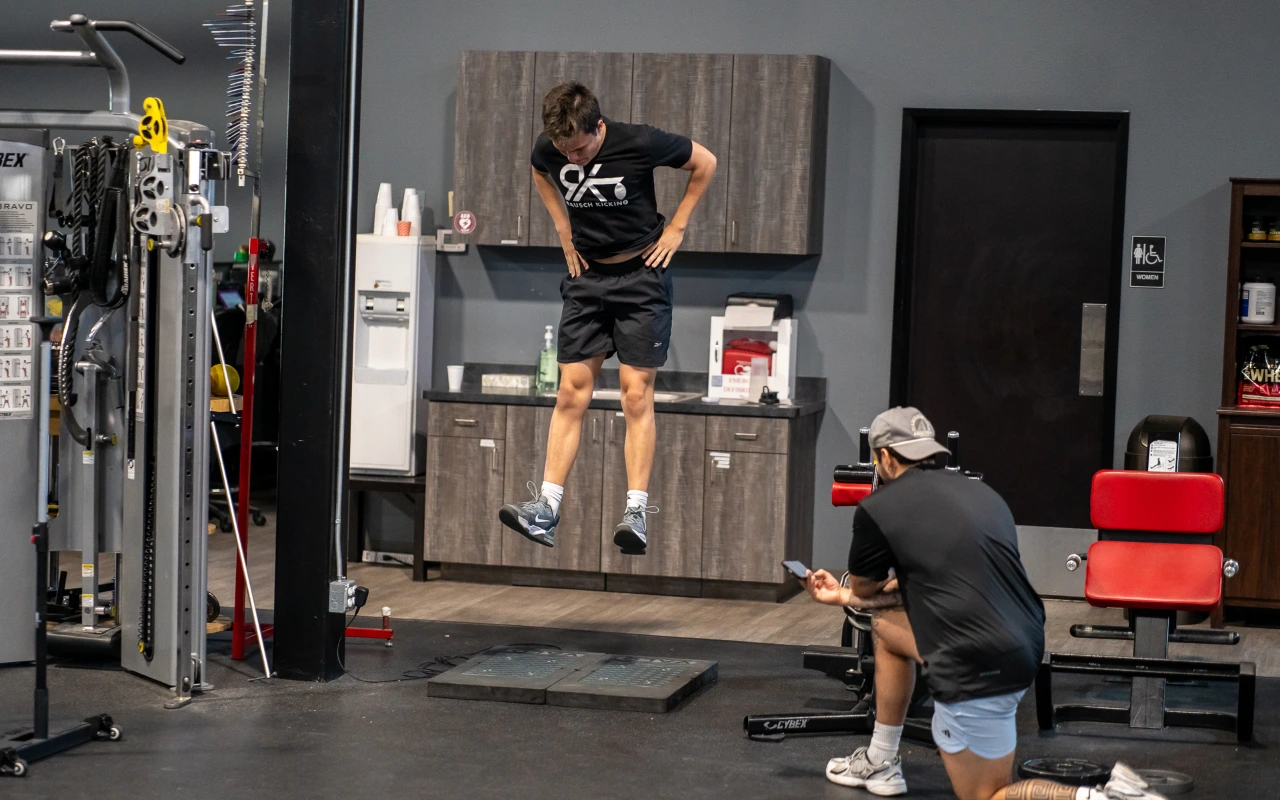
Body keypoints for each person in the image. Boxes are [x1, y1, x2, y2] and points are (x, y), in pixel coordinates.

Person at [806, 407, 1166, 800]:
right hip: (1023, 644)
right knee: (888, 629)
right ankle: (881, 760)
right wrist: (843, 596)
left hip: (973, 662)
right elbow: (937, 587)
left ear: (887, 459)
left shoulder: (877, 509)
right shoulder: (983, 494)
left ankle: (1104, 798)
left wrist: (845, 592)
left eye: (878, 460)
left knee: (989, 795)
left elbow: (867, 589)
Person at [498, 82, 717, 555]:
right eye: (564, 150)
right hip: (587, 278)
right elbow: (540, 170)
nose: (571, 160)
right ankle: (547, 510)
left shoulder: (638, 142)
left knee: (634, 396)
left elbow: (706, 162)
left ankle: (636, 512)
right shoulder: (550, 148)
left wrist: (677, 227)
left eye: (579, 149)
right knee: (570, 392)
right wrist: (562, 229)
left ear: (599, 127)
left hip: (643, 277)